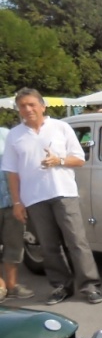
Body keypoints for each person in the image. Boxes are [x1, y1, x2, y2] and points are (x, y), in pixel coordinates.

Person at [2, 88, 102, 305]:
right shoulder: (14, 135)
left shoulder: (61, 127)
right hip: (34, 198)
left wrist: (59, 161)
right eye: (22, 106)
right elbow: (11, 172)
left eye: (31, 104)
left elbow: (80, 159)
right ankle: (60, 286)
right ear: (18, 110)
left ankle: (89, 286)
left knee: (77, 241)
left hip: (63, 192)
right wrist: (17, 202)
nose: (28, 109)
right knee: (48, 246)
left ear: (42, 105)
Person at [0, 128, 34, 302]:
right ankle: (0, 286)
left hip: (12, 202)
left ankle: (12, 286)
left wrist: (20, 201)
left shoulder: (8, 134)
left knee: (14, 245)